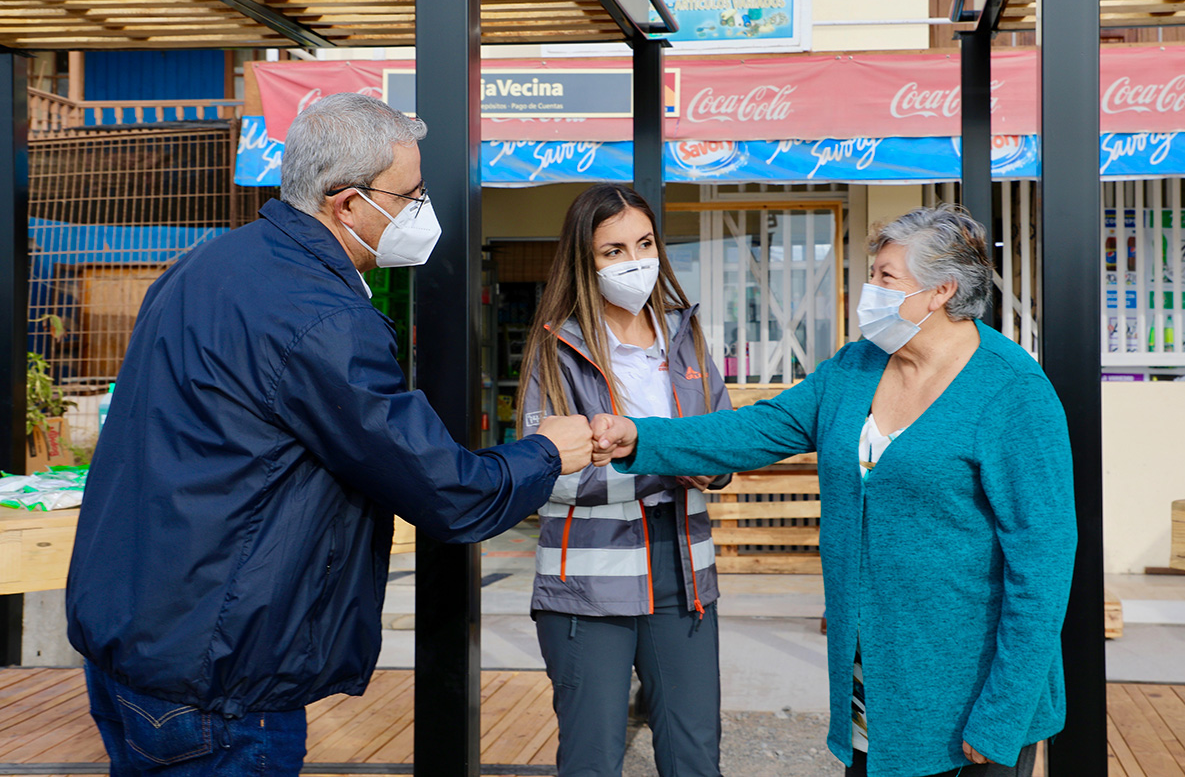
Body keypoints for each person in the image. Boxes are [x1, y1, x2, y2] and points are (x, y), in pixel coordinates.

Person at [66, 92, 594, 777]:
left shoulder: (205, 265)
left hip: (130, 645)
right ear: (347, 203)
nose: (423, 209)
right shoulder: (323, 317)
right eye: (411, 194)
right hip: (218, 683)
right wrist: (548, 452)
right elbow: (447, 491)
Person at [593, 204, 1077, 777]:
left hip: (971, 694)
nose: (870, 290)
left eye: (885, 276)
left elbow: (1043, 566)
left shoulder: (1013, 392)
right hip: (873, 682)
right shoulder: (857, 367)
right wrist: (638, 436)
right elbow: (758, 429)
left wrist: (1003, 714)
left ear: (941, 291)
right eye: (872, 273)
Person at [516, 183, 731, 777]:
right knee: (592, 759)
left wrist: (643, 449)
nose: (634, 261)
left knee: (695, 756)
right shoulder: (556, 347)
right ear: (585, 262)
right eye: (613, 251)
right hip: (589, 580)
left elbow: (723, 449)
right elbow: (548, 474)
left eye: (644, 243)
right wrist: (672, 458)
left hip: (684, 570)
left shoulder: (686, 336)